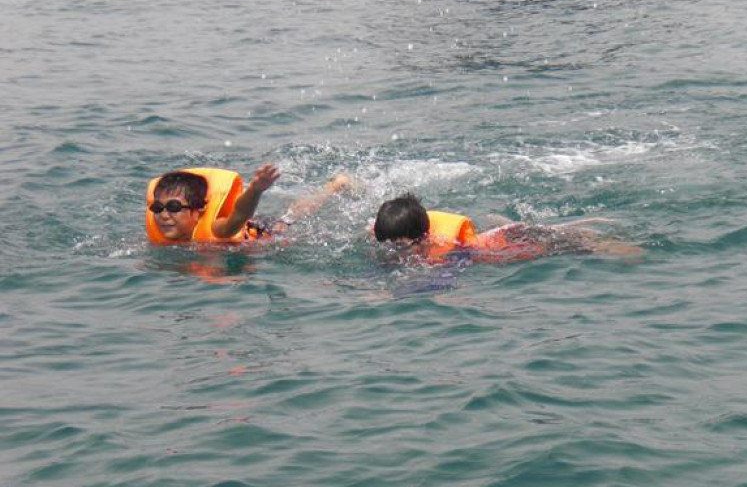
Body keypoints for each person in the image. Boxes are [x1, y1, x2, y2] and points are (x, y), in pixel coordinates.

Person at [373, 193, 642, 263]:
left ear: (421, 238)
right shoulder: (407, 231)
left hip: (513, 242)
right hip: (502, 233)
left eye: (399, 246)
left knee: (571, 246)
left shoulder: (443, 246)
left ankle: (622, 249)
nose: (393, 251)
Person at [146, 163, 351, 244]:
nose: (163, 215)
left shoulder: (217, 230)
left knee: (289, 220)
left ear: (198, 211)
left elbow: (238, 216)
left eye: (173, 208)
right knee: (288, 216)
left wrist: (255, 190)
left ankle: (335, 187)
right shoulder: (157, 235)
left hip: (264, 233)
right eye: (157, 208)